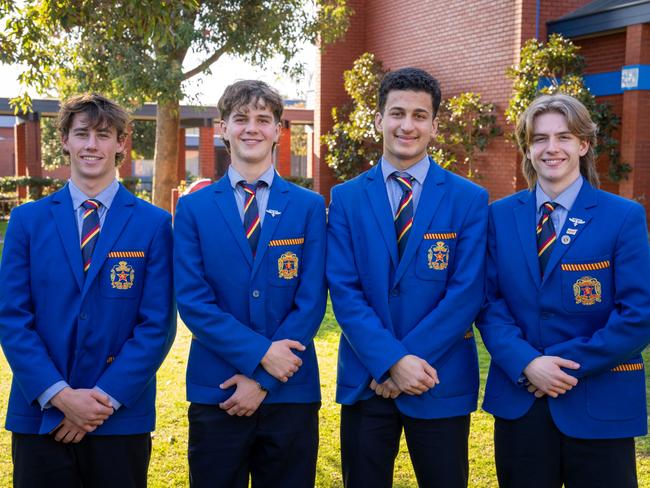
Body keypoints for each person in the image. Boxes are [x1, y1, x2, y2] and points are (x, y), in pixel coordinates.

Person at [0, 93, 176, 488]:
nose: (92, 145)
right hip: (40, 416)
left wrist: (101, 401)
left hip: (117, 418)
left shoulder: (153, 225)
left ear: (121, 143)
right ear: (64, 140)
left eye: (103, 134)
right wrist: (60, 395)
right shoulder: (27, 221)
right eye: (81, 134)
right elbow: (12, 318)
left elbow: (157, 326)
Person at [477, 93, 650, 487]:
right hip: (522, 404)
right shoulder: (499, 216)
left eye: (564, 137)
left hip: (599, 400)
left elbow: (637, 315)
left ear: (584, 144)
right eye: (539, 138)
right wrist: (527, 363)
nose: (551, 148)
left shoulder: (622, 216)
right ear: (527, 147)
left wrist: (556, 365)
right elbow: (489, 303)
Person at [326, 67, 488, 488]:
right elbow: (344, 291)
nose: (407, 125)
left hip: (438, 378)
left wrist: (406, 363)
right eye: (397, 113)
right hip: (368, 378)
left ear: (435, 125)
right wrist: (389, 361)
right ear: (378, 120)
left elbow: (467, 292)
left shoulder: (469, 199)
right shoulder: (345, 198)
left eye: (420, 115)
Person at [174, 80, 326, 488]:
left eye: (263, 119)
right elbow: (193, 301)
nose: (251, 128)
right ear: (222, 127)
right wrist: (261, 356)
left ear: (279, 129)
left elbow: (311, 300)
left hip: (290, 390)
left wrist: (264, 379)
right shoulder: (192, 209)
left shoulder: (310, 206)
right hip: (218, 389)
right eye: (241, 119)